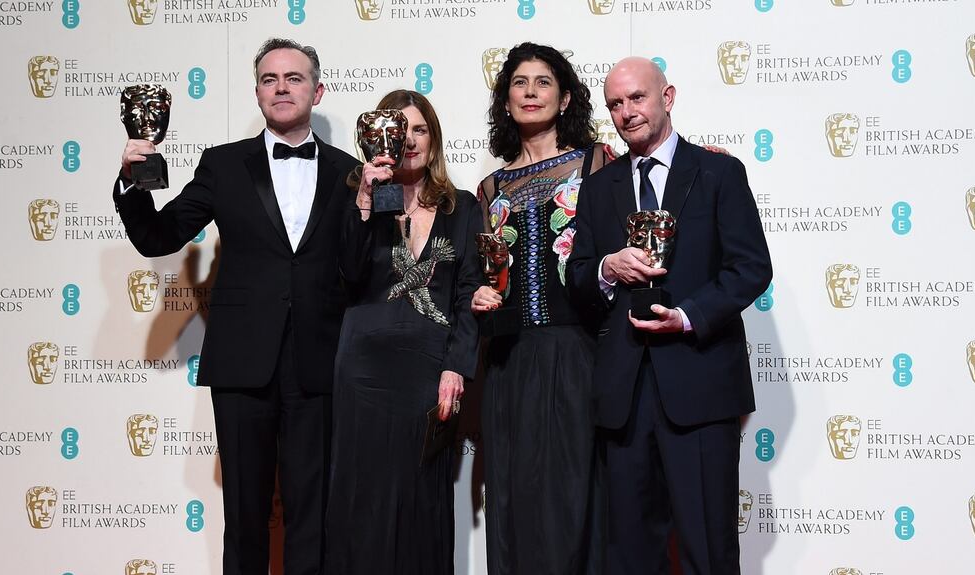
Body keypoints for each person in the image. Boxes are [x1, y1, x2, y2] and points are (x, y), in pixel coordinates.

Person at [113, 38, 358, 575]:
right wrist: (134, 182)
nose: (281, 88)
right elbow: (160, 237)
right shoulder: (223, 164)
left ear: (317, 91)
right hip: (242, 362)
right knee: (245, 515)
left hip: (318, 362)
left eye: (293, 78)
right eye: (270, 79)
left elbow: (360, 265)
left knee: (314, 515)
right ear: (257, 93)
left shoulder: (351, 170)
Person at [566, 57, 772, 574]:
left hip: (701, 386)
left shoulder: (719, 172)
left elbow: (751, 268)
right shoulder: (598, 188)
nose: (627, 112)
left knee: (709, 551)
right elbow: (579, 277)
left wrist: (687, 316)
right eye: (615, 103)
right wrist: (608, 269)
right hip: (624, 395)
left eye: (637, 97)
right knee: (630, 556)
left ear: (668, 97)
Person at [324, 89, 482, 575]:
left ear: (433, 140)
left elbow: (468, 293)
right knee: (363, 502)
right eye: (398, 130)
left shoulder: (461, 208)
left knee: (420, 501)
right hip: (363, 371)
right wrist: (366, 199)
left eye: (419, 129)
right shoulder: (355, 198)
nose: (409, 140)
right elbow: (347, 275)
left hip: (427, 372)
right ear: (377, 138)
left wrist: (457, 366)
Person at [471, 41, 613, 575]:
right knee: (513, 496)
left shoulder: (596, 162)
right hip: (508, 361)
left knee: (573, 497)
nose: (530, 92)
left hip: (578, 352)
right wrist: (479, 294)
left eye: (543, 82)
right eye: (519, 83)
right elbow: (485, 275)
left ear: (565, 97)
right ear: (506, 102)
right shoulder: (490, 187)